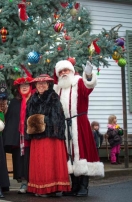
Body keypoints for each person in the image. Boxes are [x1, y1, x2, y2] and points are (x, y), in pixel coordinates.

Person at [54, 60, 104, 197]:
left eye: (66, 70)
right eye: (61, 71)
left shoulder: (79, 82)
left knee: (82, 153)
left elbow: (89, 87)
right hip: (64, 125)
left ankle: (83, 186)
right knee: (68, 154)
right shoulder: (57, 88)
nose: (64, 73)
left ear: (71, 71)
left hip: (79, 123)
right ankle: (74, 185)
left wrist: (88, 75)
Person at [25, 74, 71, 197]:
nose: (41, 85)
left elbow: (58, 118)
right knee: (39, 162)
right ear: (35, 85)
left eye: (44, 83)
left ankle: (52, 188)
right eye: (39, 84)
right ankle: (40, 188)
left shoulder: (54, 97)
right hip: (36, 136)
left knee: (49, 162)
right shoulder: (32, 99)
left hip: (51, 136)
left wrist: (43, 119)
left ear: (48, 85)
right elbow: (27, 118)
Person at [2, 74, 33, 194]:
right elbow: (10, 119)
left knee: (30, 159)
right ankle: (23, 182)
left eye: (26, 85)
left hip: (31, 136)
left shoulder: (34, 99)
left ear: (30, 86)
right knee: (20, 160)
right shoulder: (15, 102)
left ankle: (33, 182)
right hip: (18, 137)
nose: (24, 87)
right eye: (22, 86)